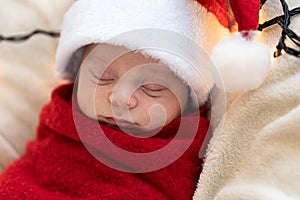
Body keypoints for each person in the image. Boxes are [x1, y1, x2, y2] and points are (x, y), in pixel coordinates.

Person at [0, 0, 227, 198]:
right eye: (103, 77)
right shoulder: (61, 123)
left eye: (151, 88)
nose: (120, 98)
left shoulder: (188, 150)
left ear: (187, 100)